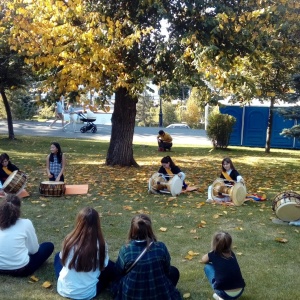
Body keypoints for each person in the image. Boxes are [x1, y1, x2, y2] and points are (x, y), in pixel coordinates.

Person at [112, 214, 181, 300]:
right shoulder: (160, 247)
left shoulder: (126, 250)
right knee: (174, 271)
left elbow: (118, 271)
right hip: (158, 293)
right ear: (149, 229)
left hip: (131, 294)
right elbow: (166, 269)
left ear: (132, 230)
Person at [54, 207, 116, 300]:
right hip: (87, 294)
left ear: (78, 222)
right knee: (111, 266)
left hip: (64, 289)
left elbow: (62, 258)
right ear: (97, 224)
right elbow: (104, 265)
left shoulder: (69, 240)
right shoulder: (101, 244)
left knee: (57, 256)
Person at [0, 194, 54, 276]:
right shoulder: (26, 223)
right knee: (48, 246)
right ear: (18, 209)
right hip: (21, 270)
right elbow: (34, 250)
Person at [201, 231, 245, 300]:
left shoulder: (213, 254)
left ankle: (221, 297)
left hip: (223, 292)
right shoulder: (232, 254)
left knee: (208, 267)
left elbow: (203, 260)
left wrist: (211, 251)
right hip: (240, 291)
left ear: (215, 243)